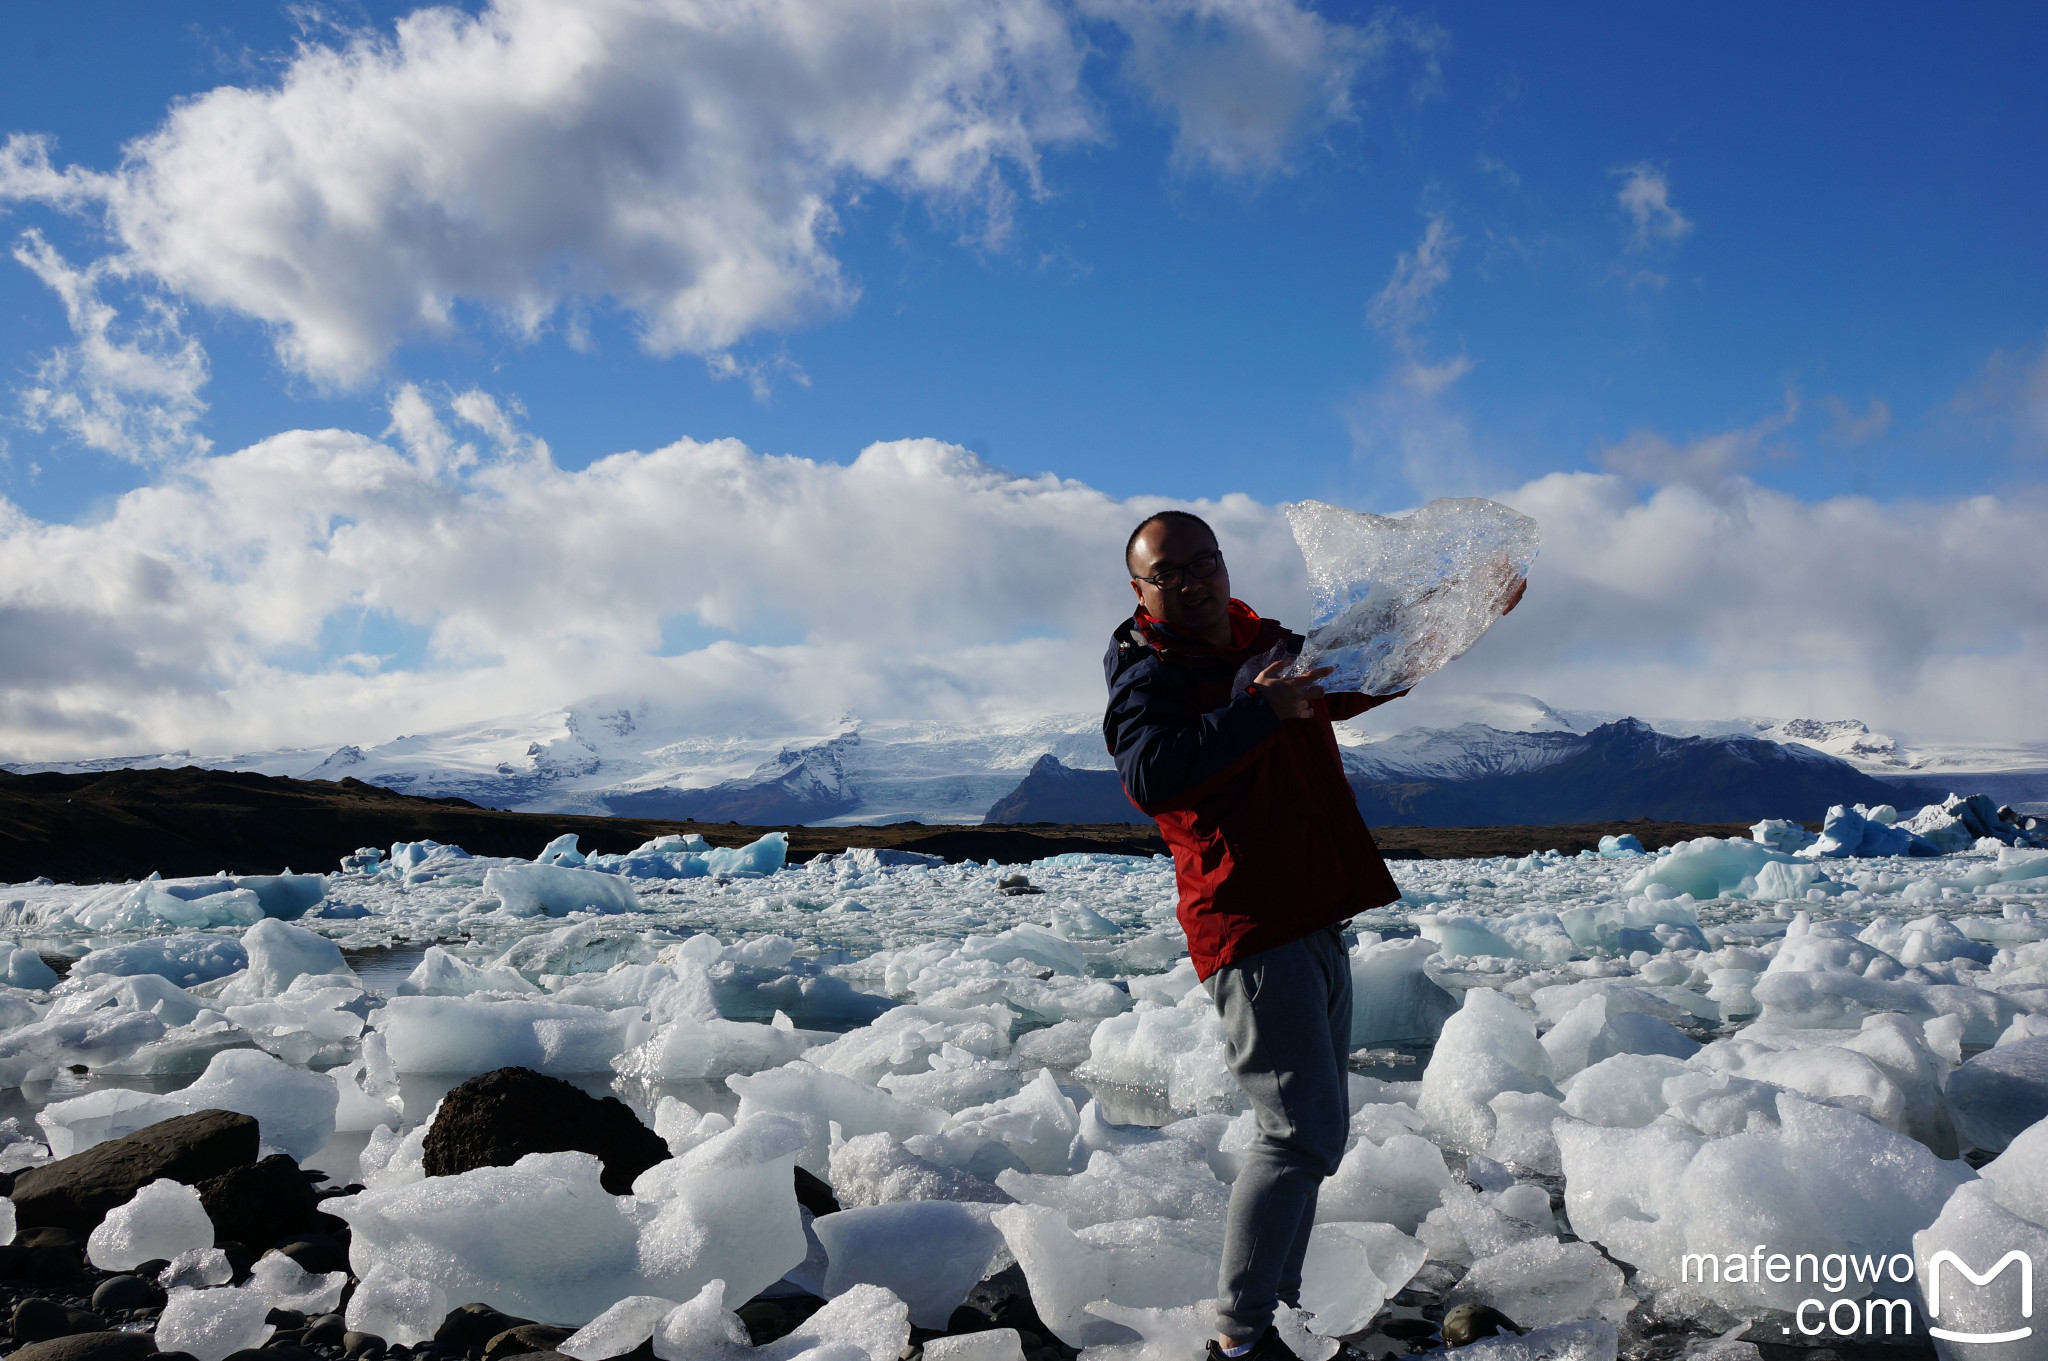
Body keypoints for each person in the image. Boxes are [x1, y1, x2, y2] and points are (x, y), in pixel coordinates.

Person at [1103, 509, 1519, 1360]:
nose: (1194, 579)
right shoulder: (1152, 673)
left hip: (1313, 911)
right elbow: (1151, 774)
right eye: (1170, 571)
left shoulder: (1265, 642)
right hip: (1250, 922)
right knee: (1295, 1131)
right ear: (1141, 590)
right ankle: (1243, 1334)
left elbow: (1358, 668)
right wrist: (1261, 711)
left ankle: (1273, 1320)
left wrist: (1459, 614)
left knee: (1315, 1135)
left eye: (1204, 561)